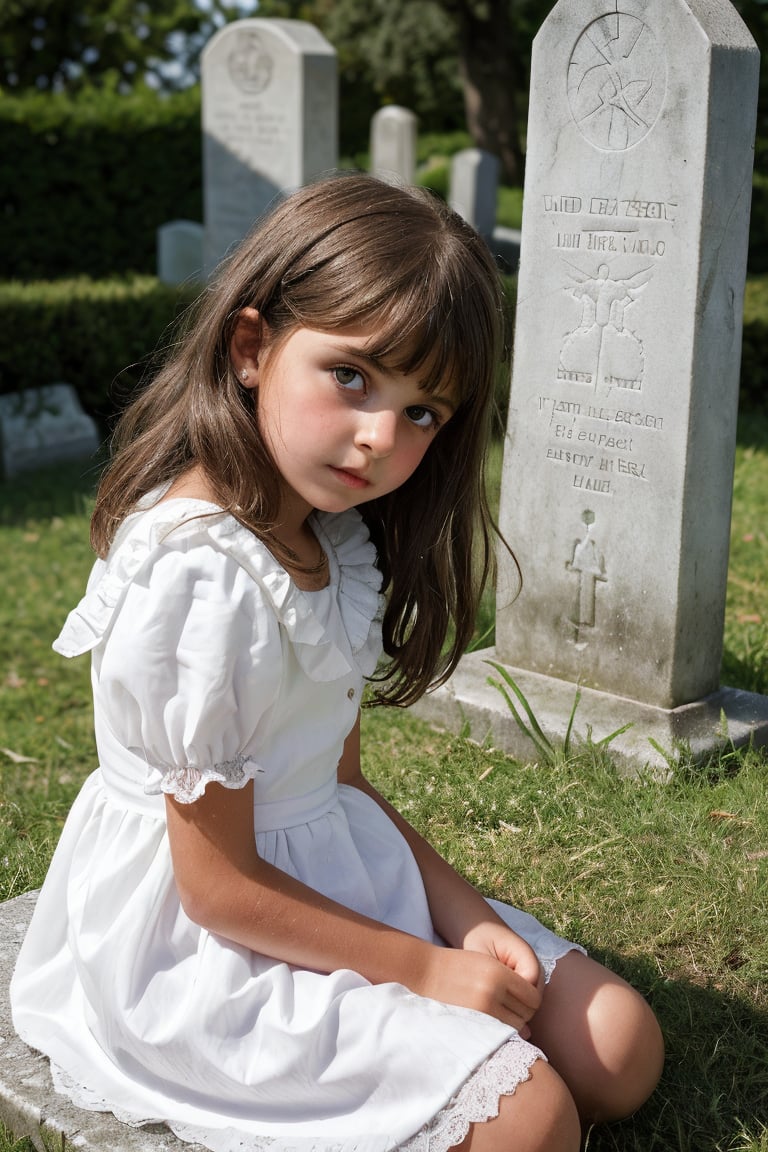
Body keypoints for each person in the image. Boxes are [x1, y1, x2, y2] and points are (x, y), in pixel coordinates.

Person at [11, 173, 663, 1152]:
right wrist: (424, 969)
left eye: (422, 413)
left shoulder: (334, 542)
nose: (378, 437)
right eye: (352, 377)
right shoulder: (201, 581)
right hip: (198, 937)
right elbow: (216, 888)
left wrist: (464, 916)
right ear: (251, 347)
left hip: (332, 869)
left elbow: (340, 780)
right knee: (534, 1125)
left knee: (618, 1047)